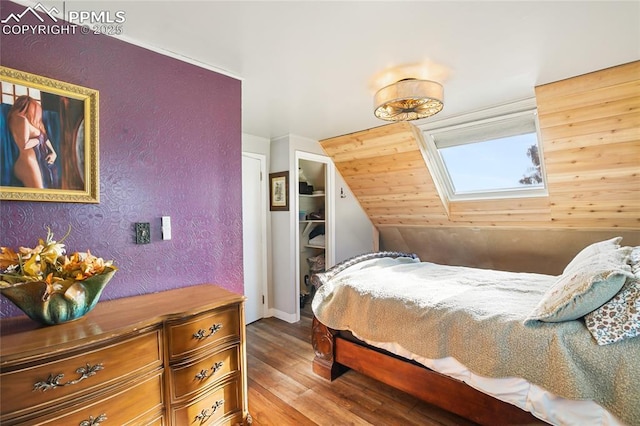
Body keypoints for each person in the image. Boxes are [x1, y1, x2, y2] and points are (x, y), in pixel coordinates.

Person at [7, 95, 58, 188]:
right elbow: (24, 145)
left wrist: (54, 152)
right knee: (39, 194)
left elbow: (44, 137)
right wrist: (38, 140)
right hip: (28, 159)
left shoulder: (23, 120)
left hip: (31, 159)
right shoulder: (22, 119)